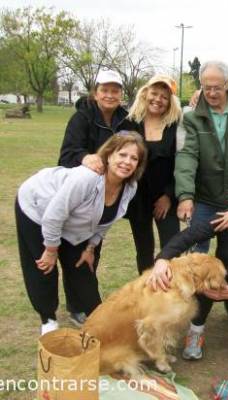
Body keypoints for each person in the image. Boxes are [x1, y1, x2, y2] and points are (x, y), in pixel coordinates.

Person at [16, 132, 146, 335]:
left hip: (70, 221)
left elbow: (106, 221)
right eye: (122, 155)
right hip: (37, 207)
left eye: (134, 158)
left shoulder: (130, 187)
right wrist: (51, 250)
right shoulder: (87, 178)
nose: (127, 162)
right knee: (44, 266)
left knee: (82, 267)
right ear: (109, 155)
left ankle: (97, 318)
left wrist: (90, 247)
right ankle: (48, 319)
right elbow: (53, 217)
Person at [147, 168, 228, 360]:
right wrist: (162, 259)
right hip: (221, 276)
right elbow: (189, 236)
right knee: (202, 279)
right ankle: (196, 331)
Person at [57, 69, 134, 325]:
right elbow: (67, 155)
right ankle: (77, 306)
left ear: (121, 94)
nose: (110, 95)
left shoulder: (127, 120)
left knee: (93, 248)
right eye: (105, 90)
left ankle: (81, 299)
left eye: (115, 90)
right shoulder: (81, 117)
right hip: (81, 196)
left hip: (109, 194)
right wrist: (85, 157)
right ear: (96, 92)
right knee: (75, 249)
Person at [174, 60, 228, 252]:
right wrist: (185, 196)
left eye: (217, 88)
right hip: (204, 198)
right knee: (196, 255)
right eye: (207, 88)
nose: (212, 93)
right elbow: (186, 156)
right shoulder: (191, 117)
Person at [126, 75, 182, 273]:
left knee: (172, 249)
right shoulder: (130, 123)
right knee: (144, 250)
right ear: (145, 93)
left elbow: (181, 164)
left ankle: (171, 293)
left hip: (165, 198)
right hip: (137, 198)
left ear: (170, 102)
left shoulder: (175, 127)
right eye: (154, 93)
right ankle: (146, 293)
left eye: (164, 97)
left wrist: (168, 195)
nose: (158, 99)